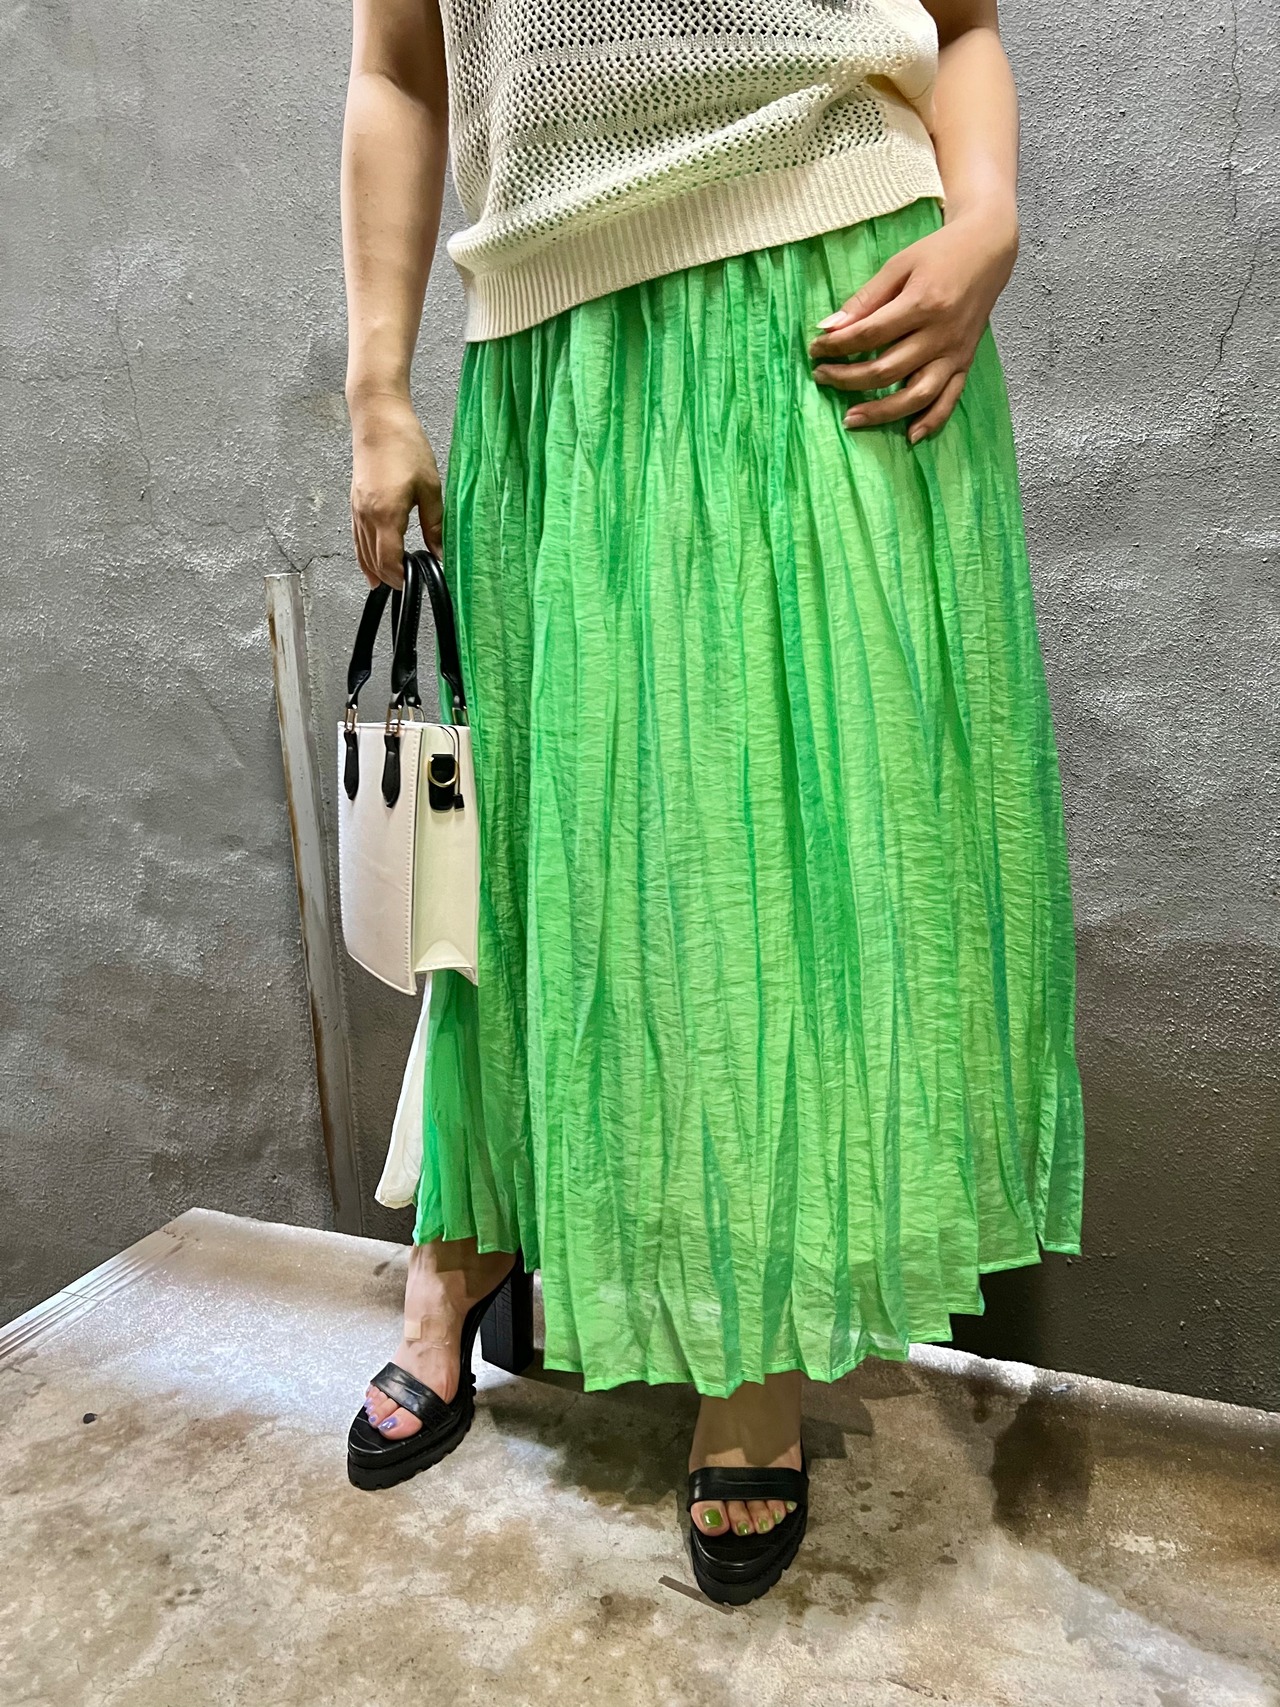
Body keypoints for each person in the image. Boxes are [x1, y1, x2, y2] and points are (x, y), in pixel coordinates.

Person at [339, 0, 1085, 1606]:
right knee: (537, 857)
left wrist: (989, 218)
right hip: (552, 360)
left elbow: (962, 26)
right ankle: (465, 1233)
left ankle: (751, 1353)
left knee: (778, 874)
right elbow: (399, 64)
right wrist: (374, 385)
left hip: (834, 326)